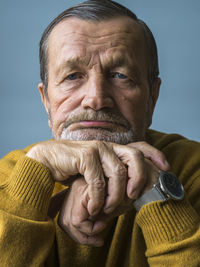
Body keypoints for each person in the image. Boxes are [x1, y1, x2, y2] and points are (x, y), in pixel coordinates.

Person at [0, 0, 200, 266]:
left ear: (152, 97)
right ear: (46, 100)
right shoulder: (11, 177)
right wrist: (38, 170)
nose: (95, 99)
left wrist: (154, 188)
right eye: (72, 76)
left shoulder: (192, 171)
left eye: (120, 75)